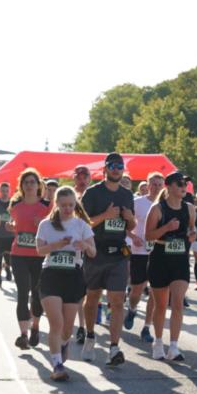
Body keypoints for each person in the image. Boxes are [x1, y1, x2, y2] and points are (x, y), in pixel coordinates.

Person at [79, 152, 136, 366]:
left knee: (117, 301)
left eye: (120, 166)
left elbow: (130, 226)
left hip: (118, 254)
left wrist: (130, 219)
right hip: (96, 252)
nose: (116, 169)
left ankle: (114, 348)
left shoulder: (126, 195)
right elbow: (82, 224)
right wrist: (105, 216)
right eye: (112, 166)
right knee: (92, 297)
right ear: (105, 169)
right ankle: (90, 336)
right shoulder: (92, 193)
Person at [36, 186, 96, 381]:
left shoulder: (81, 225)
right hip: (51, 275)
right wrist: (56, 245)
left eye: (71, 205)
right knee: (57, 323)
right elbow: (39, 250)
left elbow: (93, 252)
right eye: (63, 206)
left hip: (73, 276)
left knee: (68, 328)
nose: (67, 209)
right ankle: (57, 365)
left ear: (75, 204)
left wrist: (84, 245)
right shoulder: (46, 224)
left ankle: (63, 344)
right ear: (57, 204)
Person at [145, 171, 196, 361]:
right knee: (160, 305)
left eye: (185, 184)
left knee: (177, 303)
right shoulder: (158, 209)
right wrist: (166, 228)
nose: (184, 187)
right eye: (179, 184)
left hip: (180, 259)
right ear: (169, 186)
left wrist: (192, 235)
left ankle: (174, 346)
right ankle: (158, 342)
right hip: (160, 258)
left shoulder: (189, 209)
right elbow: (148, 236)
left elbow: (192, 229)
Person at [8, 168, 51, 350]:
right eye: (26, 182)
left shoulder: (47, 207)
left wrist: (43, 224)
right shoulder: (15, 206)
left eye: (33, 182)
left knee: (37, 294)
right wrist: (11, 226)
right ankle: (23, 335)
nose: (29, 185)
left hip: (39, 255)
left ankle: (35, 326)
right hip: (18, 254)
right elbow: (15, 223)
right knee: (22, 293)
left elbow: (54, 229)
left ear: (38, 185)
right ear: (21, 186)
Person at [128, 172, 163, 342]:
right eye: (153, 184)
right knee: (137, 290)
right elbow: (125, 225)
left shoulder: (165, 205)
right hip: (139, 251)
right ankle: (132, 308)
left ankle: (147, 327)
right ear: (147, 185)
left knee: (155, 292)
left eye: (159, 184)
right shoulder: (137, 203)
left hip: (159, 252)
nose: (156, 187)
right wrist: (132, 236)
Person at [71, 164, 92, 345]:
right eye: (79, 176)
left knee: (86, 291)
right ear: (74, 178)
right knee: (76, 290)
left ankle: (82, 326)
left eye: (85, 176)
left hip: (90, 245)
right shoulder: (68, 195)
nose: (82, 180)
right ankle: (78, 326)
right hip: (72, 247)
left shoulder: (95, 195)